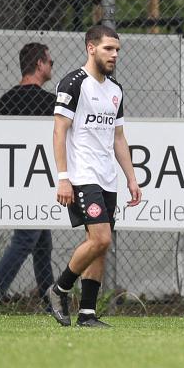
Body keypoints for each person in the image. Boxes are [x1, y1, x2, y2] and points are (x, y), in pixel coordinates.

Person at [47, 25, 141, 328]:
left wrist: (131, 178)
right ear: (91, 48)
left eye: (117, 50)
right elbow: (59, 131)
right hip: (82, 175)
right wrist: (63, 177)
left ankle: (87, 313)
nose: (114, 55)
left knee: (100, 243)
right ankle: (59, 289)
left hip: (107, 177)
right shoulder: (74, 83)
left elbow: (119, 137)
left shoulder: (115, 89)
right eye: (108, 49)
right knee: (101, 237)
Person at [0, 43, 56, 311]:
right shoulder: (51, 104)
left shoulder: (3, 103)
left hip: (15, 182)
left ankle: (51, 301)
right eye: (50, 62)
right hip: (40, 182)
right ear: (39, 64)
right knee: (26, 239)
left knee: (42, 244)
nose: (51, 66)